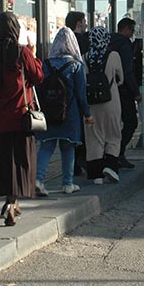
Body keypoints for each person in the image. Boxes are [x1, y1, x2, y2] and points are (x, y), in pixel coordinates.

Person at [0, 12, 44, 227]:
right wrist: (34, 55)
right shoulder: (22, 53)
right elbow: (38, 77)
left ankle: (10, 200)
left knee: (2, 161)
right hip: (21, 117)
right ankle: (12, 202)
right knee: (20, 160)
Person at [34, 27, 92, 195]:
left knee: (46, 146)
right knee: (68, 147)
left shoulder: (45, 63)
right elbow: (81, 94)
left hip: (49, 112)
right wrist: (87, 114)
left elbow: (38, 88)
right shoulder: (76, 65)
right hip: (70, 113)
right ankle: (68, 183)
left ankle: (39, 179)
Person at [83, 26, 124, 185]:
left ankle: (96, 175)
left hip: (91, 105)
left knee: (94, 137)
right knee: (113, 134)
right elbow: (121, 79)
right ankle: (110, 166)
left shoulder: (84, 57)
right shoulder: (113, 55)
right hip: (111, 102)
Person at [109, 17, 140, 169]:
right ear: (126, 29)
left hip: (108, 90)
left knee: (111, 125)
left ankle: (111, 155)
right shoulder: (124, 43)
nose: (133, 34)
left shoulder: (108, 41)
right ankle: (118, 154)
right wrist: (136, 92)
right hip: (124, 90)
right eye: (132, 31)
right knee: (131, 122)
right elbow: (127, 71)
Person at [64, 11, 89, 176]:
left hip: (63, 93)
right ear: (79, 24)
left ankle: (73, 165)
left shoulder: (62, 41)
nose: (86, 25)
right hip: (80, 88)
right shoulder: (83, 41)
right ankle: (80, 161)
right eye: (84, 22)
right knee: (81, 127)